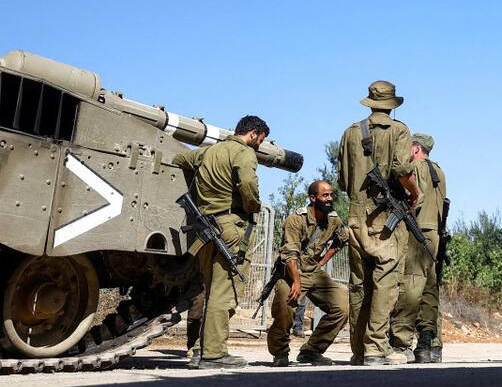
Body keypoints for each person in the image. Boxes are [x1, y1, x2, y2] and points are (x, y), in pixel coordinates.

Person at [174, 115, 270, 369]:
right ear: (252, 134)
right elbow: (248, 185)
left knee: (211, 291)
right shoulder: (244, 153)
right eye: (259, 141)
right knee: (223, 293)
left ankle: (199, 350)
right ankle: (214, 354)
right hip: (231, 228)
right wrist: (253, 206)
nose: (258, 146)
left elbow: (179, 159)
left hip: (205, 229)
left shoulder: (207, 152)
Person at [338, 80, 422, 366]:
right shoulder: (399, 130)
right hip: (385, 216)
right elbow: (401, 169)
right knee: (385, 281)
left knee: (359, 284)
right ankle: (375, 348)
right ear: (392, 104)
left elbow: (343, 180)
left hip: (355, 214)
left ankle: (359, 350)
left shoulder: (350, 132)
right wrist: (415, 192)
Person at [268, 180, 350, 366]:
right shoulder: (296, 220)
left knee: (342, 308)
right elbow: (290, 253)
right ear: (313, 198)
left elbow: (342, 238)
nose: (329, 199)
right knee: (285, 305)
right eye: (325, 195)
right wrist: (296, 281)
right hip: (292, 270)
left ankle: (311, 351)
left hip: (313, 269)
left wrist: (322, 261)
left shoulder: (333, 219)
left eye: (331, 194)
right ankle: (280, 352)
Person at [389, 133, 447, 363]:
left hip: (417, 230)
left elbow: (416, 199)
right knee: (430, 290)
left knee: (411, 286)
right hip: (434, 234)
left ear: (415, 149)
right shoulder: (438, 171)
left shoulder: (417, 168)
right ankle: (430, 343)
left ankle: (401, 342)